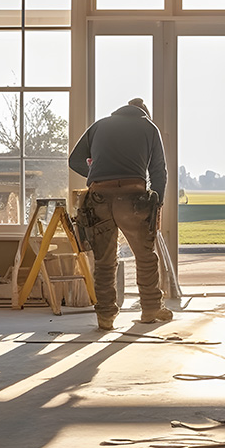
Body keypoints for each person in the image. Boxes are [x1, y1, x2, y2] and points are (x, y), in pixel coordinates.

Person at [69, 98, 170, 330]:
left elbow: (74, 160)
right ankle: (150, 308)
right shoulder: (149, 127)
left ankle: (105, 316)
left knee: (104, 261)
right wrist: (158, 204)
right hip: (132, 198)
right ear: (144, 113)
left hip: (98, 198)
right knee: (145, 257)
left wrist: (95, 172)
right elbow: (158, 172)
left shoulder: (99, 125)